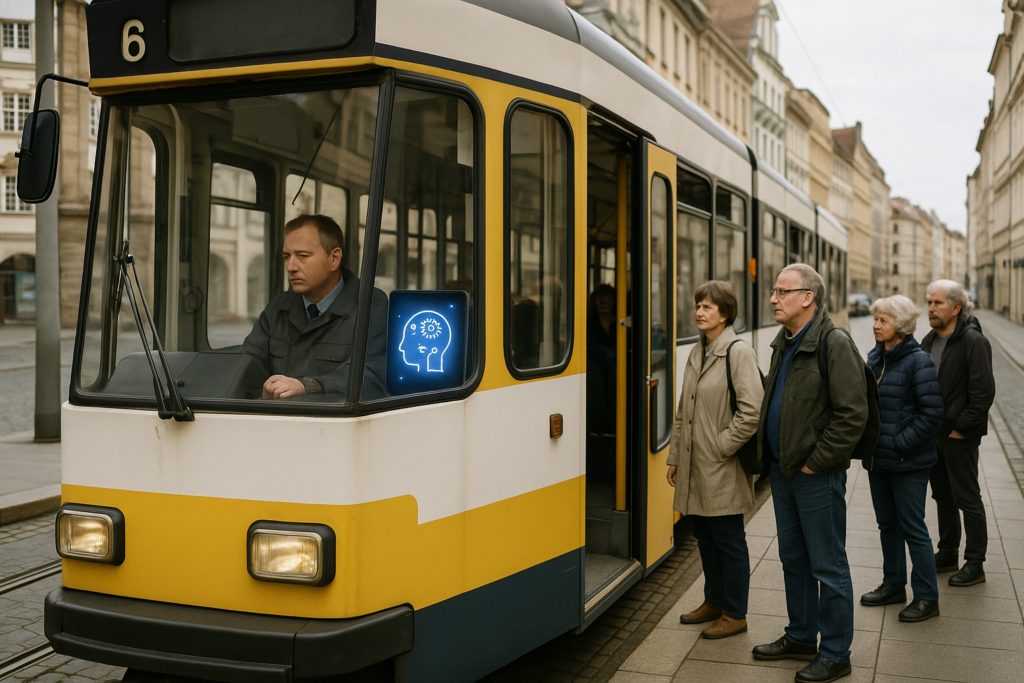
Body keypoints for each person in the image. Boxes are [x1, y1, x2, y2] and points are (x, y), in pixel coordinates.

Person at [751, 264, 867, 683]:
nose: (773, 299)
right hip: (784, 472)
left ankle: (836, 652)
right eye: (774, 291)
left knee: (828, 565)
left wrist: (815, 462)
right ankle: (801, 635)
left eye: (782, 291)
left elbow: (852, 414)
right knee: (793, 558)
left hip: (815, 474)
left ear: (807, 297)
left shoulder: (834, 343)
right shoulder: (784, 341)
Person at [667, 281, 763, 640]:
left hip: (721, 465)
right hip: (695, 463)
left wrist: (721, 447)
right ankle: (714, 601)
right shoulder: (699, 349)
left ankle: (735, 613)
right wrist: (676, 456)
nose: (699, 312)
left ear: (725, 314)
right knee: (705, 536)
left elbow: (751, 413)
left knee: (729, 540)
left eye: (708, 307)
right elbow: (683, 410)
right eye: (698, 305)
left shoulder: (738, 352)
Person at [859, 295, 943, 622]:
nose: (876, 325)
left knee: (912, 528)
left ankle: (927, 597)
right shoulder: (876, 357)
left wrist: (900, 444)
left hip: (908, 461)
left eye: (883, 320)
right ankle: (893, 583)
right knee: (887, 525)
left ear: (902, 326)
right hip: (878, 461)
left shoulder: (918, 361)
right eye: (876, 319)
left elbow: (932, 413)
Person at [242, 214, 387, 401]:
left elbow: (372, 375)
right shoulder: (277, 308)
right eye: (287, 256)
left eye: (302, 256)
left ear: (334, 259)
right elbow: (246, 366)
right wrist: (261, 395)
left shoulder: (370, 305)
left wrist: (309, 386)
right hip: (275, 420)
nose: (291, 266)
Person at [922, 280, 995, 587]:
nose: (930, 308)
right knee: (942, 496)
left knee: (968, 498)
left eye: (937, 303)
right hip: (934, 436)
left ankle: (975, 562)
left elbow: (982, 394)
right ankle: (948, 551)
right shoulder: (928, 339)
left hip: (958, 437)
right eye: (929, 302)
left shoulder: (973, 341)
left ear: (956, 307)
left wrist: (960, 431)